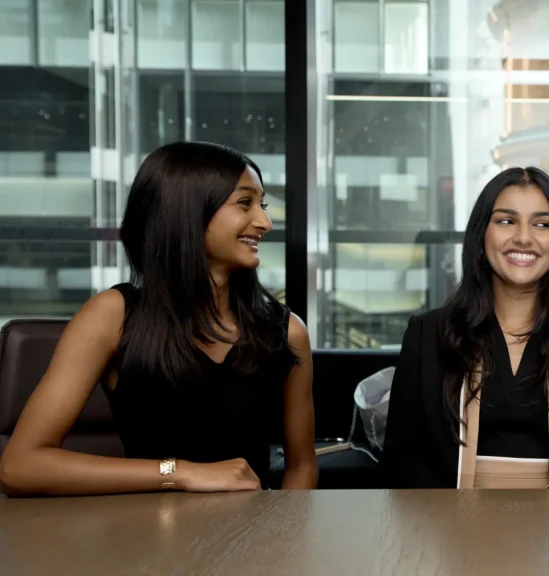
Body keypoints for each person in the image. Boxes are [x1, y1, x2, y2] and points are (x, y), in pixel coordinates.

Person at [0, 141, 318, 496]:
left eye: (262, 205)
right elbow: (19, 467)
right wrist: (180, 472)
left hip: (250, 539)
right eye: (245, 203)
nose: (265, 222)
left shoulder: (286, 331)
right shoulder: (111, 316)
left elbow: (301, 467)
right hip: (142, 537)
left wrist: (286, 541)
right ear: (186, 212)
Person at [383, 166, 549, 489]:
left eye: (542, 224)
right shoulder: (427, 334)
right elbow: (400, 458)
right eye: (506, 221)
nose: (523, 237)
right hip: (450, 526)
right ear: (481, 235)